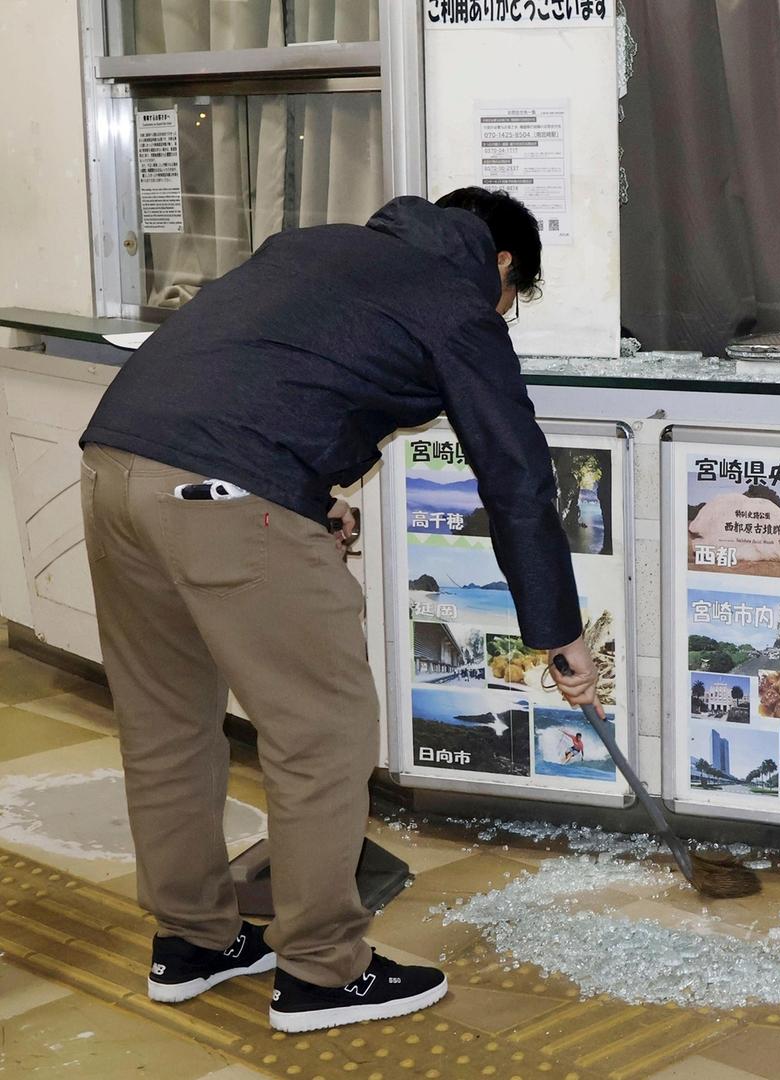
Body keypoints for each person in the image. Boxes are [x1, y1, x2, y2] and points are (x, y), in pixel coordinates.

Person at [79, 188, 601, 1033]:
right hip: (222, 494)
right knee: (324, 731)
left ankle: (196, 941)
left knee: (166, 725)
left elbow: (263, 375)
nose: (503, 313)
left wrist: (302, 495)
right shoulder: (456, 301)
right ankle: (323, 969)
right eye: (513, 299)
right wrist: (557, 632)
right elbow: (514, 477)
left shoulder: (310, 247)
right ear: (501, 265)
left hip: (114, 472)